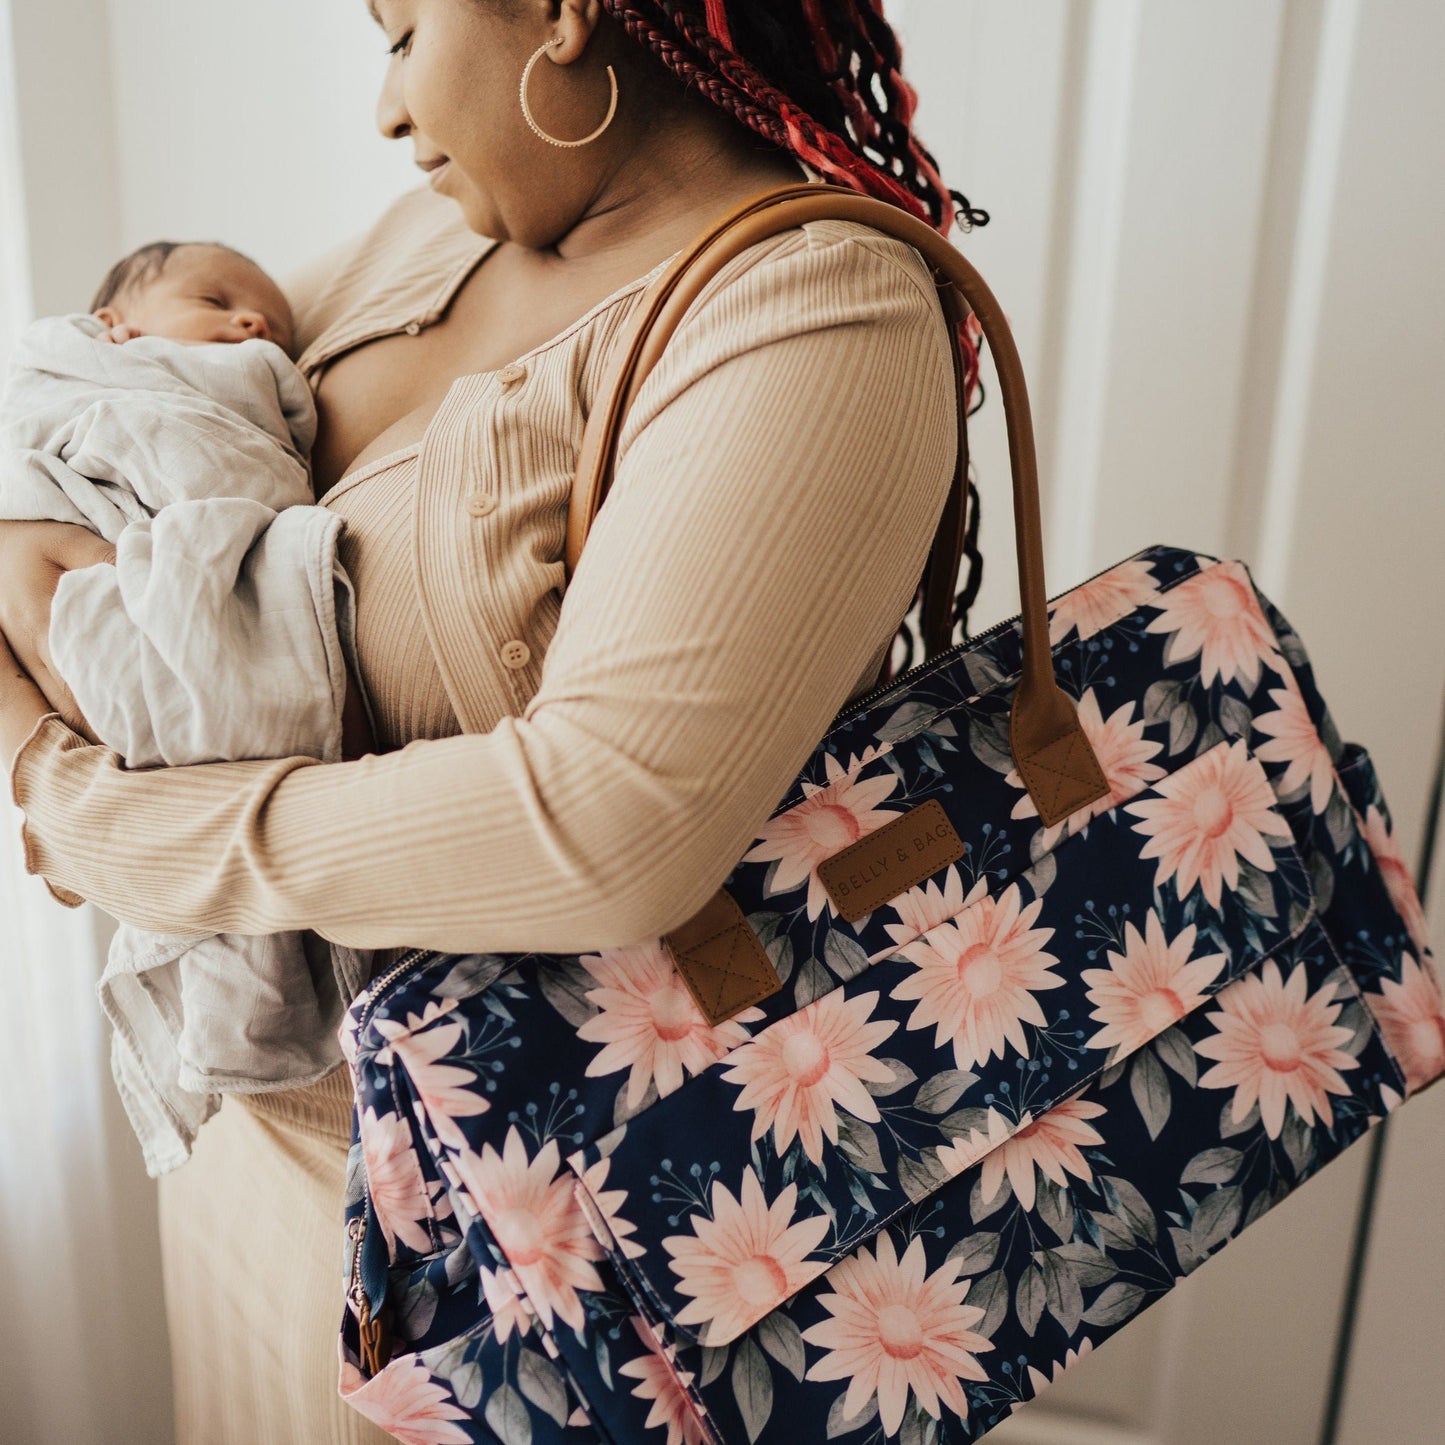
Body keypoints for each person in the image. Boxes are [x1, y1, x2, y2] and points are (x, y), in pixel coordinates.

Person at [0, 1, 983, 1439]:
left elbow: (606, 824)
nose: (386, 112)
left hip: (513, 1242)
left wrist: (89, 806)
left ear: (565, 11)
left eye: (402, 32)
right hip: (250, 1135)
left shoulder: (815, 311)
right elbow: (115, 410)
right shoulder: (437, 234)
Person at [0, 239, 376, 1178]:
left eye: (272, 327)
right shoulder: (84, 371)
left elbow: (247, 473)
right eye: (217, 299)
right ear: (114, 329)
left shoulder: (246, 391)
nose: (253, 324)